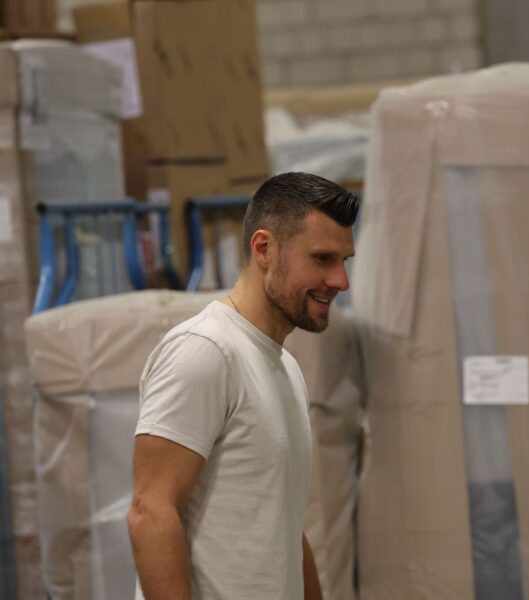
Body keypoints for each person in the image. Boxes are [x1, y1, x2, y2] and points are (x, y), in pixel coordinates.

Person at [127, 172, 359, 600]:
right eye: (323, 258)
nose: (341, 280)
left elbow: (285, 529)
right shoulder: (205, 350)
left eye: (344, 260)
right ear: (264, 249)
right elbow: (151, 510)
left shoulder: (284, 366)